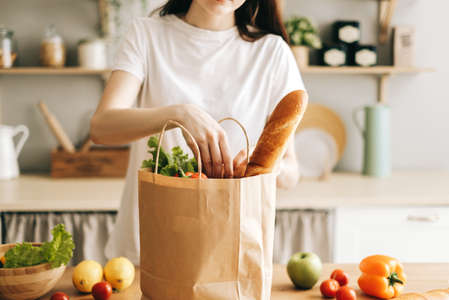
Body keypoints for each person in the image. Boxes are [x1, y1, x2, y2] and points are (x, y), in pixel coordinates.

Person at [91, 0, 308, 264]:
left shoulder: (272, 52)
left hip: (230, 252)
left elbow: (291, 173)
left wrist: (261, 165)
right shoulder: (147, 34)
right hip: (148, 245)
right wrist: (177, 114)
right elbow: (102, 127)